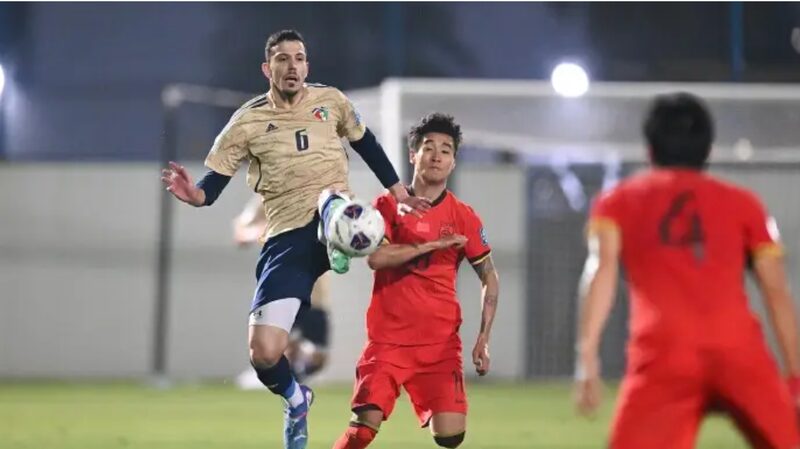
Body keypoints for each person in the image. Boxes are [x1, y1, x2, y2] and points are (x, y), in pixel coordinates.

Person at [160, 29, 428, 449]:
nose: (293, 66)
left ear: (307, 66)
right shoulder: (247, 121)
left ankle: (343, 235)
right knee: (264, 352)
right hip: (287, 239)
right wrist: (194, 195)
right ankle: (296, 398)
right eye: (283, 59)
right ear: (268, 69)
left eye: (300, 58)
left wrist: (397, 189)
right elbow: (213, 185)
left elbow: (366, 143)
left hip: (336, 212)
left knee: (334, 203)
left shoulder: (331, 101)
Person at [574, 92, 800, 449]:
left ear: (650, 149)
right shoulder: (745, 204)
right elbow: (776, 292)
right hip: (739, 352)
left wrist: (587, 358)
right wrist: (795, 378)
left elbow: (601, 272)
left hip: (664, 354)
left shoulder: (617, 202)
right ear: (708, 149)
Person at [331, 113, 500, 449]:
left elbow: (489, 277)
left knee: (451, 437)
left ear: (453, 162)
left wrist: (483, 337)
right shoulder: (386, 205)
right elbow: (377, 259)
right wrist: (431, 246)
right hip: (388, 341)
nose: (437, 155)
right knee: (363, 428)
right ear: (413, 155)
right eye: (428, 147)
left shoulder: (463, 217)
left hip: (440, 345)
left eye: (446, 150)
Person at [232, 194, 332, 388]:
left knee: (319, 358)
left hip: (316, 293)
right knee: (281, 347)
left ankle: (289, 380)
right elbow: (241, 232)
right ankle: (278, 383)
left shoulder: (322, 192)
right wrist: (265, 231)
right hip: (282, 286)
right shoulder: (269, 193)